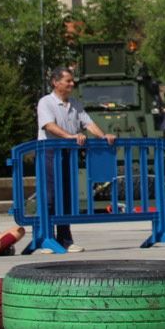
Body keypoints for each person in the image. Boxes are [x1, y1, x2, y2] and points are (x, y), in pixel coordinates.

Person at [36, 67, 114, 253]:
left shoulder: (75, 104)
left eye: (72, 81)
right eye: (68, 81)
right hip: (50, 152)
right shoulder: (46, 102)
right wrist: (69, 136)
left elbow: (88, 123)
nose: (72, 84)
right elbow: (49, 125)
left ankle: (65, 239)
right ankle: (45, 238)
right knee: (50, 196)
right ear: (56, 82)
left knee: (66, 196)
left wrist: (103, 137)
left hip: (67, 154)